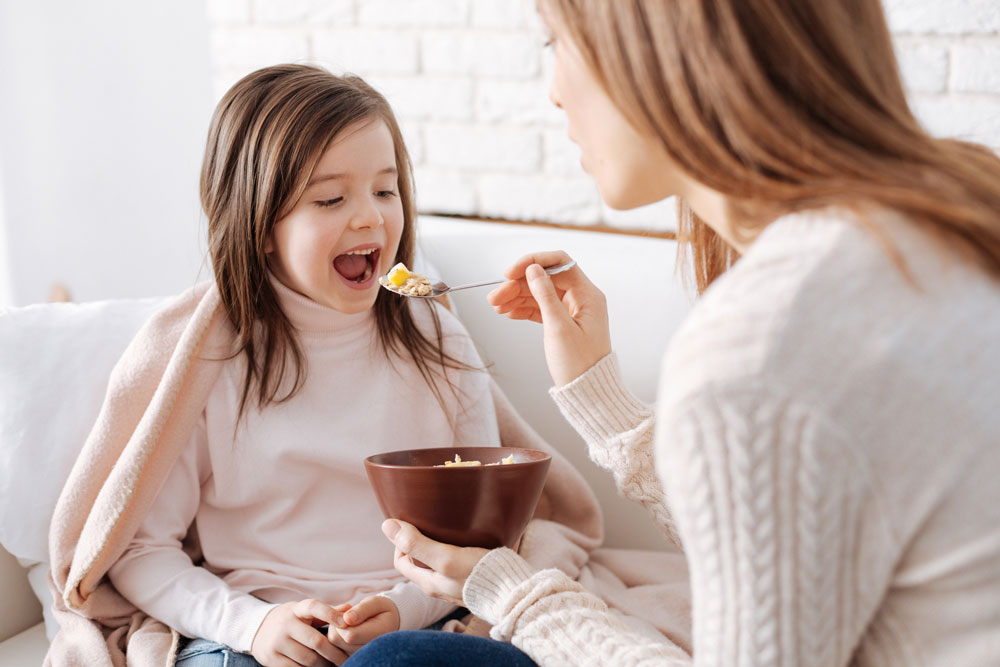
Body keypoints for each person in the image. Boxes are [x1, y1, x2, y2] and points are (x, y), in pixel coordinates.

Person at [362, 1, 1000, 665]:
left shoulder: (763, 340)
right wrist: (600, 395)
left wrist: (507, 589)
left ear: (661, 47)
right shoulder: (956, 210)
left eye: (558, 43)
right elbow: (789, 531)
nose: (552, 91)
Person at [98, 64, 533, 667]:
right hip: (253, 635)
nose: (370, 218)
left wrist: (405, 608)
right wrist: (254, 626)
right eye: (330, 198)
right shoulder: (212, 361)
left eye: (386, 190)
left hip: (415, 627)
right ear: (261, 225)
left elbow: (484, 535)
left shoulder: (439, 340)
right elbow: (141, 550)